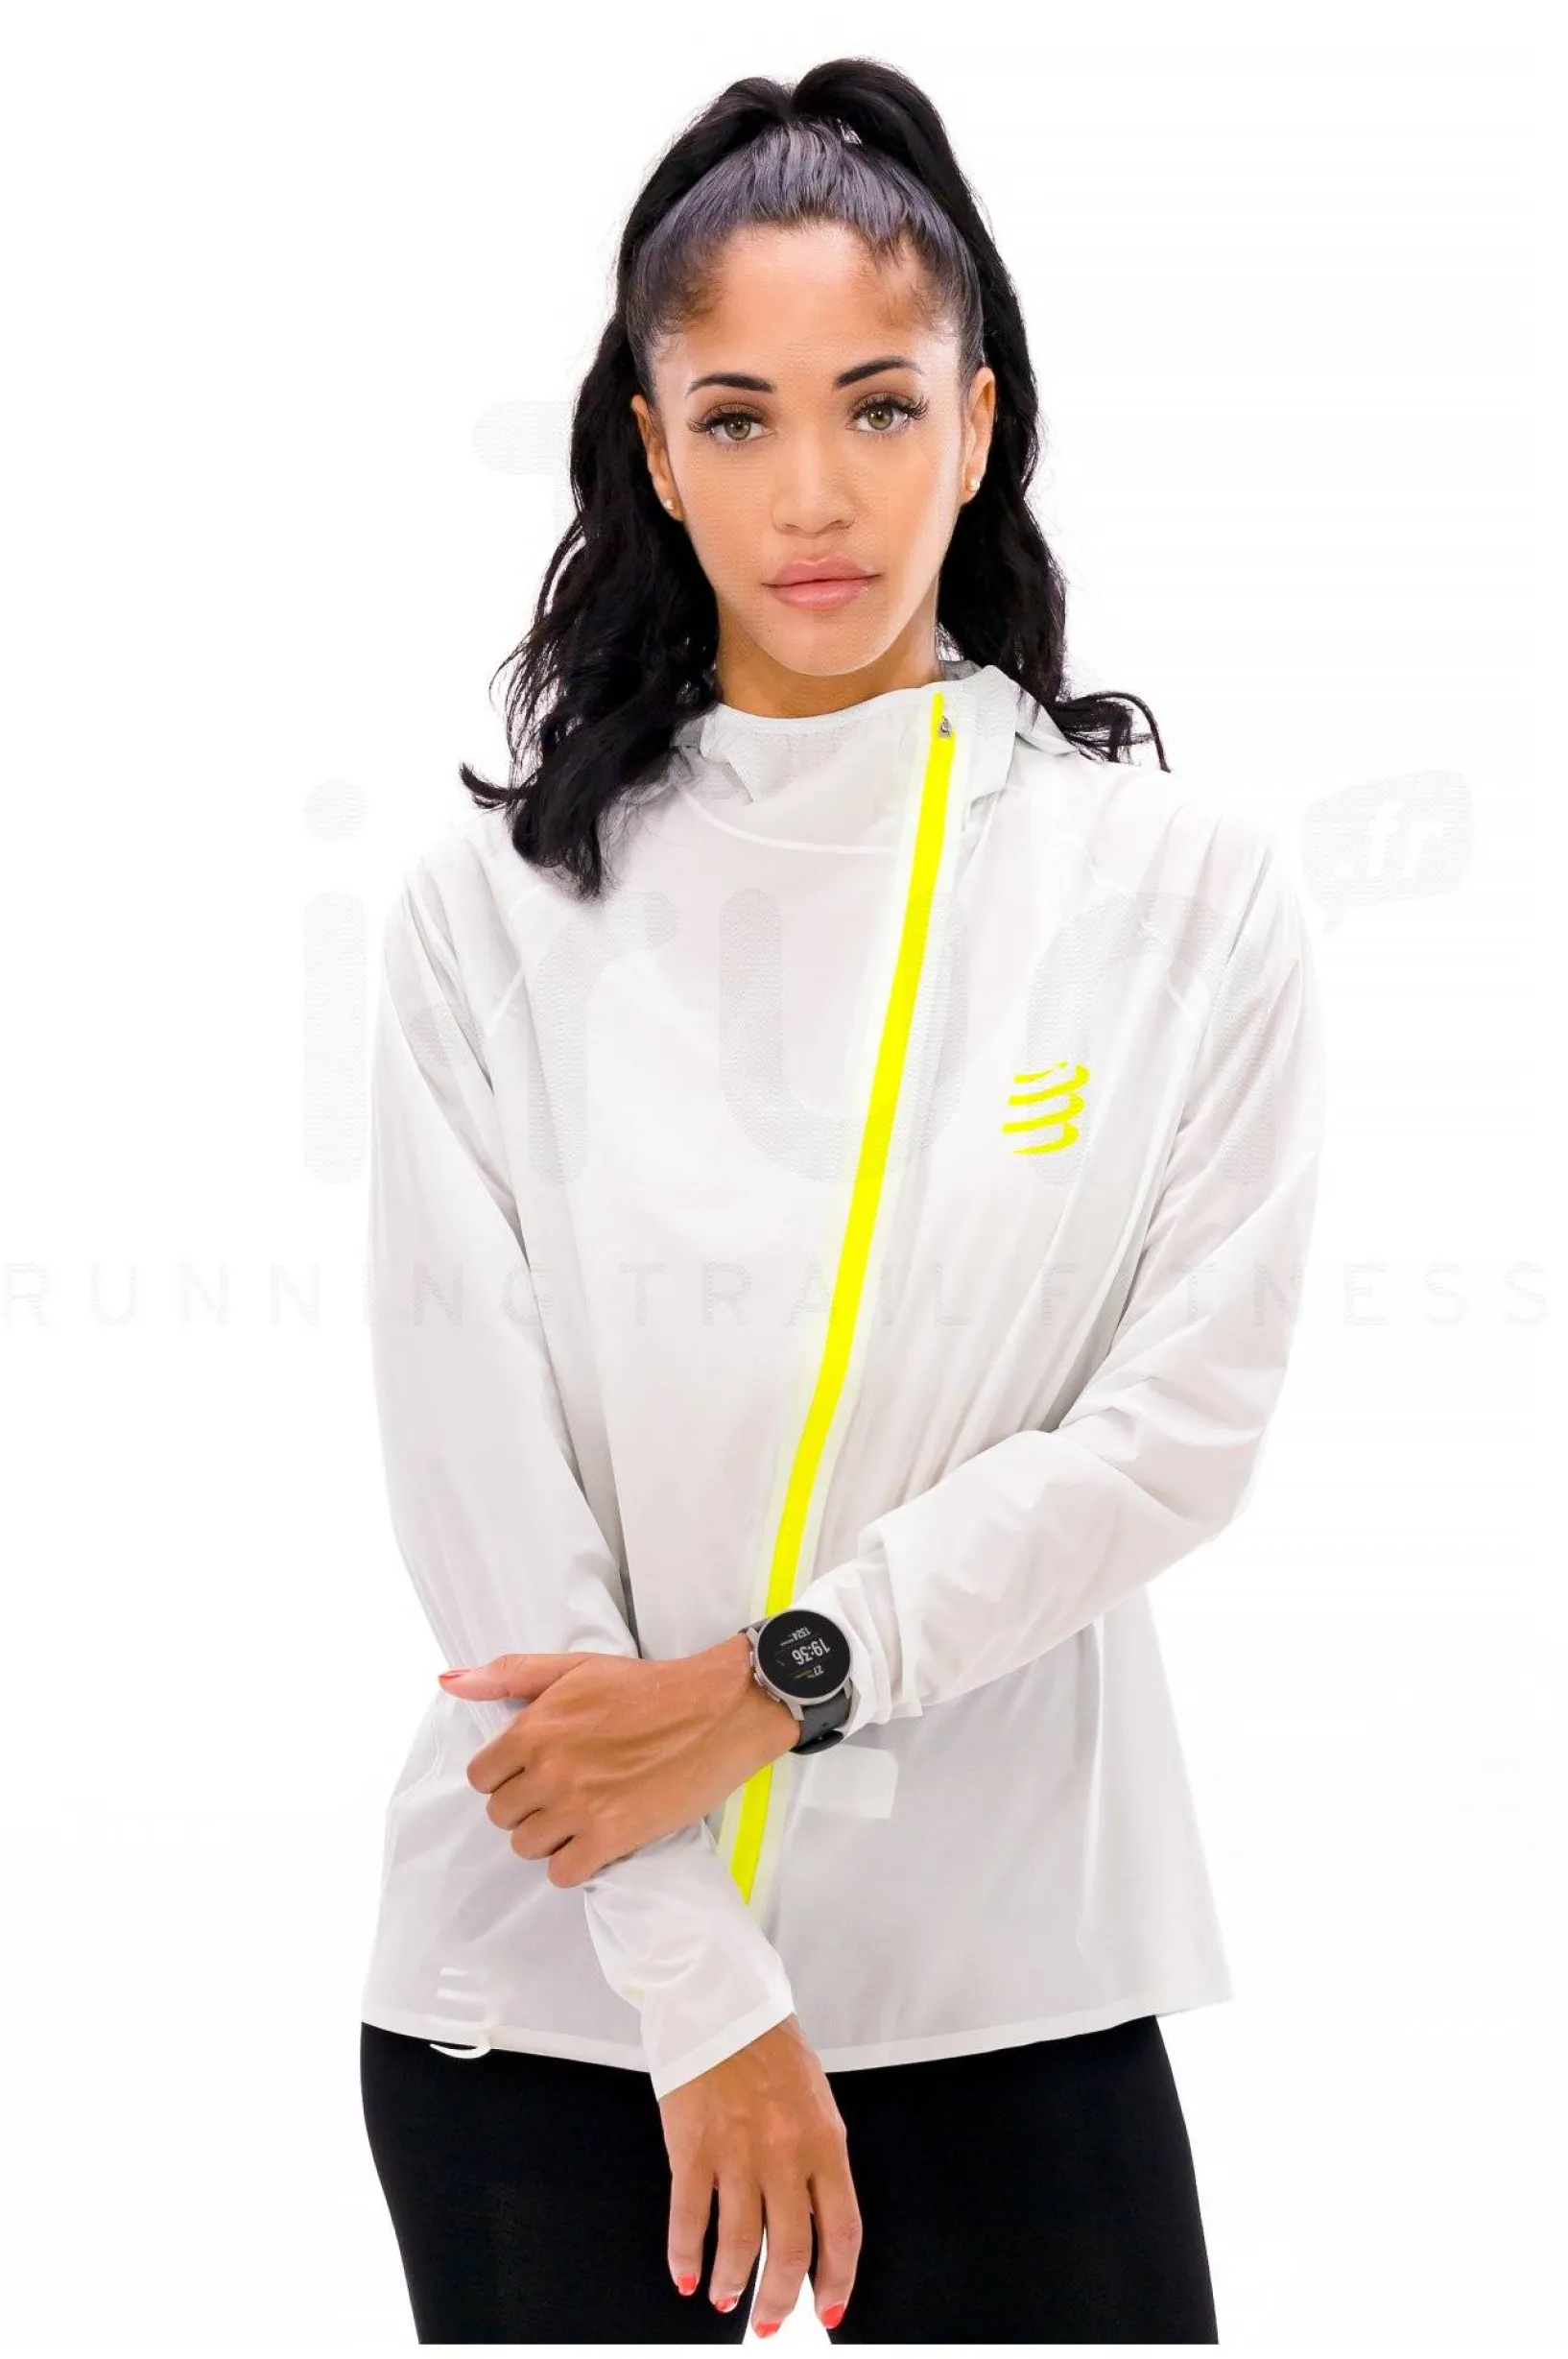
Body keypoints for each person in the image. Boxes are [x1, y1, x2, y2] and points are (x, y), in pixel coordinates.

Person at [356, 55, 1325, 2347]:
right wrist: (700, 1989)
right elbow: (486, 1507)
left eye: (879, 406)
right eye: (738, 416)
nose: (815, 492)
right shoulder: (491, 914)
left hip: (1007, 1985)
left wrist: (779, 1680)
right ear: (650, 447)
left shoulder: (1178, 895)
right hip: (551, 2005)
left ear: (975, 427)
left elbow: (1172, 1435)